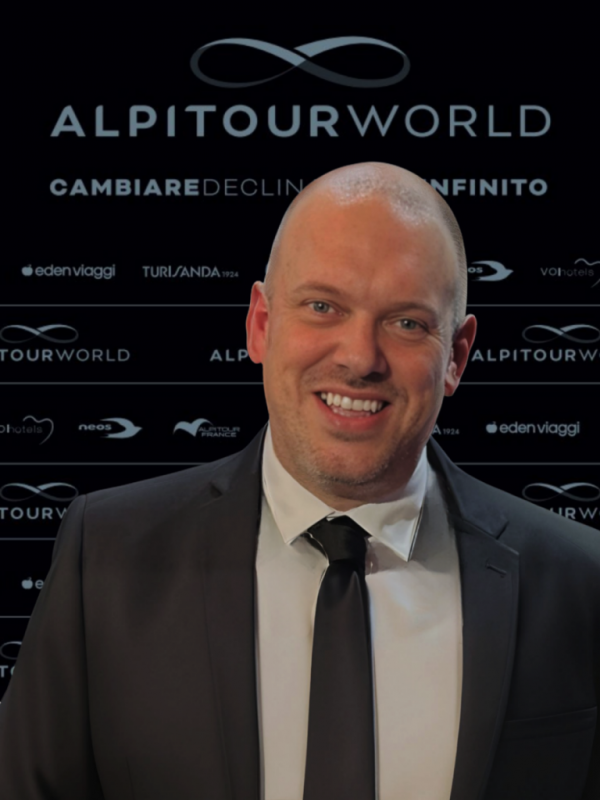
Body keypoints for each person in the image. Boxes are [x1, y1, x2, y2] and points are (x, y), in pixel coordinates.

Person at [0, 162, 598, 800]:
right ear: (260, 324)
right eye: (322, 307)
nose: (359, 358)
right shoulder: (106, 555)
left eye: (406, 322)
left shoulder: (580, 582)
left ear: (455, 356)